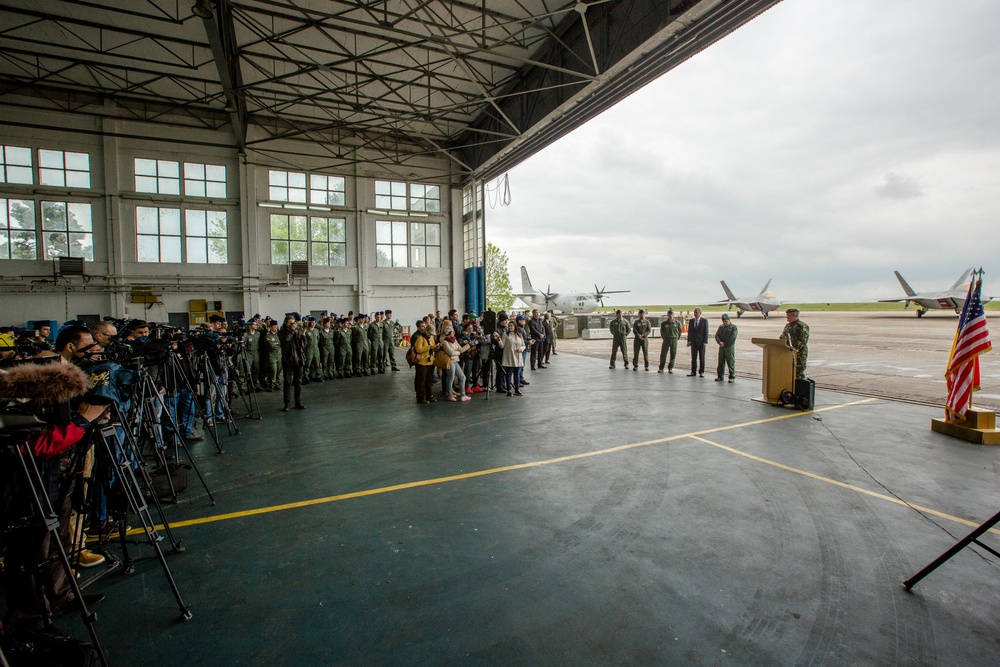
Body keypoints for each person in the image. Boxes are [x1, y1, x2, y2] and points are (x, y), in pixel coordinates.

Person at [438, 320, 471, 402]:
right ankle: (450, 394)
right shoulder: (445, 342)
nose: (454, 333)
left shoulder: (454, 340)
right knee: (451, 378)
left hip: (456, 361)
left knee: (463, 377)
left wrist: (469, 345)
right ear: (448, 333)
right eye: (452, 332)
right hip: (450, 362)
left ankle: (463, 395)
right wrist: (458, 352)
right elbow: (451, 352)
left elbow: (460, 349)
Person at [278, 316, 306, 411]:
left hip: (298, 358)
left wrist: (302, 335)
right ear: (286, 323)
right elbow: (286, 340)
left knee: (298, 382)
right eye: (290, 323)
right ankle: (287, 404)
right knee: (288, 382)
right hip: (288, 360)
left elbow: (302, 343)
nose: (293, 325)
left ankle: (298, 402)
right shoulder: (282, 332)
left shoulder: (297, 331)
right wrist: (292, 331)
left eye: (294, 323)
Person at [411, 320, 437, 404]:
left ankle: (429, 396)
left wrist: (436, 347)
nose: (431, 335)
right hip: (422, 362)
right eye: (430, 333)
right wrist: (429, 347)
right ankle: (421, 397)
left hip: (430, 361)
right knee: (421, 380)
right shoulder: (419, 338)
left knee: (429, 380)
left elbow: (432, 347)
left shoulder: (432, 338)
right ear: (427, 331)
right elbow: (418, 349)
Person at [781, 308, 810, 379]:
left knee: (798, 374)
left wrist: (793, 349)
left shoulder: (802, 326)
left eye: (788, 316)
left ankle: (799, 389)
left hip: (798, 354)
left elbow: (803, 341)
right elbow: (782, 337)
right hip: (787, 353)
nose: (786, 317)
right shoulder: (788, 326)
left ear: (793, 315)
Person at [499, 320, 525, 396]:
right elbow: (502, 346)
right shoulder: (505, 335)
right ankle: (509, 390)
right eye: (509, 326)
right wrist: (499, 340)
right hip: (509, 357)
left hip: (518, 357)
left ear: (515, 327)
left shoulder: (519, 335)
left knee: (517, 374)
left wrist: (521, 348)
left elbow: (523, 345)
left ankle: (517, 389)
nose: (510, 327)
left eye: (511, 326)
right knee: (509, 374)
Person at [714, 313, 738, 382]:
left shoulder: (734, 327)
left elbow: (733, 337)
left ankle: (732, 376)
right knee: (721, 362)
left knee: (730, 362)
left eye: (726, 321)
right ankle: (720, 376)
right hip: (722, 346)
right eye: (723, 321)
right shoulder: (721, 327)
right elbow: (716, 336)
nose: (724, 322)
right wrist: (719, 342)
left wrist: (725, 343)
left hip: (729, 347)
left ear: (729, 320)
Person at [658, 309, 683, 373]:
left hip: (674, 339)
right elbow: (662, 331)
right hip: (666, 339)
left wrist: (677, 338)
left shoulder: (677, 323)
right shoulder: (664, 323)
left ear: (673, 315)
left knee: (673, 354)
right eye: (669, 315)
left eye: (671, 315)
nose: (670, 316)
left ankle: (670, 367)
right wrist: (664, 337)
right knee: (663, 354)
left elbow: (680, 332)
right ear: (667, 315)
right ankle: (661, 367)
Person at [687, 307, 709, 377]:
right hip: (693, 342)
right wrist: (689, 341)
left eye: (696, 312)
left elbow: (706, 332)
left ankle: (701, 371)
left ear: (700, 313)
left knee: (701, 358)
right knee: (693, 358)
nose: (695, 314)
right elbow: (689, 332)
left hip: (701, 342)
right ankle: (693, 371)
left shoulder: (704, 321)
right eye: (694, 312)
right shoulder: (691, 321)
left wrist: (705, 342)